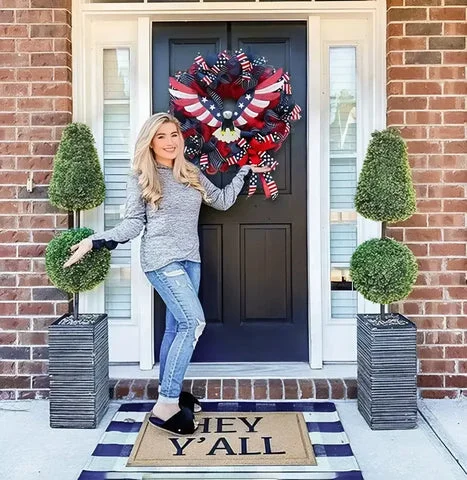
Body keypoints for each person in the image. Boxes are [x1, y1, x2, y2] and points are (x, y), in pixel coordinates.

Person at [63, 112, 271, 435]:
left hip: (191, 261)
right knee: (194, 322)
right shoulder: (141, 178)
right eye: (161, 136)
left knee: (175, 329)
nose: (170, 142)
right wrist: (95, 240)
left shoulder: (190, 172)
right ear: (150, 141)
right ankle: (166, 403)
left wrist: (244, 172)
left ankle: (169, 390)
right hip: (161, 261)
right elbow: (133, 224)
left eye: (174, 134)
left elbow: (222, 201)